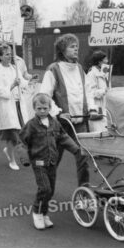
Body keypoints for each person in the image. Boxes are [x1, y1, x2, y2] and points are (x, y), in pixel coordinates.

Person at [38, 33, 96, 186]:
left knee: (83, 156)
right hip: (60, 125)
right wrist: (57, 113)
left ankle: (84, 193)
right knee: (54, 158)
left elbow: (88, 91)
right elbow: (44, 95)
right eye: (72, 46)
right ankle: (46, 185)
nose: (76, 49)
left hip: (80, 122)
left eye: (77, 46)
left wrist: (92, 108)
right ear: (62, 50)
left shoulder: (80, 69)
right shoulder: (53, 70)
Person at [20, 93, 82, 230]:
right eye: (39, 108)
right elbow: (22, 142)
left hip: (52, 161)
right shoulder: (31, 125)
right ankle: (37, 212)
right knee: (44, 188)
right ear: (34, 109)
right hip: (39, 163)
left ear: (50, 108)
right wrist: (25, 158)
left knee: (51, 190)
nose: (42, 111)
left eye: (45, 108)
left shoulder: (54, 123)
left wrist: (76, 149)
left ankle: (44, 213)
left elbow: (63, 137)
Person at [0, 44, 29, 170]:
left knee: (20, 132)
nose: (10, 56)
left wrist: (29, 82)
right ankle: (13, 159)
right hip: (8, 106)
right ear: (0, 57)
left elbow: (22, 82)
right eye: (7, 54)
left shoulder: (14, 68)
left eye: (10, 54)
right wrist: (12, 85)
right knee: (12, 133)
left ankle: (8, 151)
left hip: (18, 104)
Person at [85, 50, 110, 132]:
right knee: (98, 131)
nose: (107, 61)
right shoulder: (91, 74)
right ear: (99, 62)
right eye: (105, 60)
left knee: (106, 130)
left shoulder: (105, 73)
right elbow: (90, 93)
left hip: (105, 106)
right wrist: (103, 91)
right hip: (96, 107)